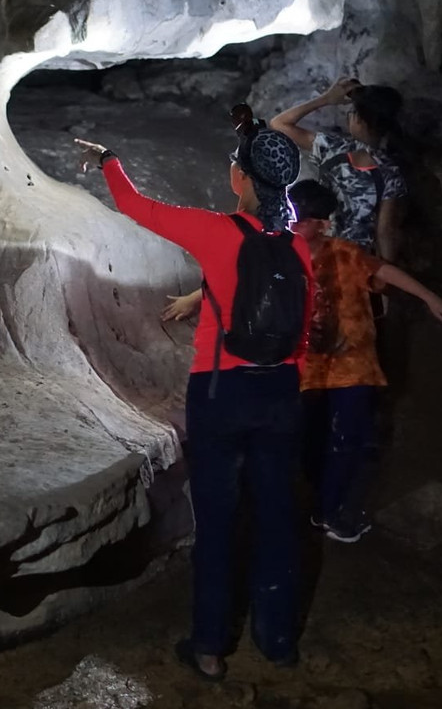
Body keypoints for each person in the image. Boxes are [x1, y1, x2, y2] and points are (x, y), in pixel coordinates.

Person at [74, 134, 313, 681]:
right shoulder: (298, 247)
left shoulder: (217, 231)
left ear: (244, 181)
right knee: (278, 517)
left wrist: (110, 162)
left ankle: (209, 645)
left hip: (221, 391)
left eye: (236, 165)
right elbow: (300, 332)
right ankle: (278, 641)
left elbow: (137, 207)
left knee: (219, 520)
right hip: (280, 394)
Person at [286, 180, 442, 542]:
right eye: (291, 217)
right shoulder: (281, 259)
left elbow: (384, 272)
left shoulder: (345, 253)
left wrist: (431, 299)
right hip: (307, 369)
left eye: (301, 219)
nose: (293, 224)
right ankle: (322, 503)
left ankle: (332, 511)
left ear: (322, 224)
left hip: (352, 364)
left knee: (348, 438)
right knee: (311, 440)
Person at [161, 121, 301, 322]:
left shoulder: (244, 228)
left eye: (235, 162)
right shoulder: (283, 218)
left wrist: (195, 299)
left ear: (243, 175)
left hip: (251, 335)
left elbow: (245, 273)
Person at [270, 78, 407, 262]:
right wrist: (388, 273)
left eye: (351, 113)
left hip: (317, 252)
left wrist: (326, 99)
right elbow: (385, 231)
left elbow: (279, 124)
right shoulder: (390, 171)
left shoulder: (333, 148)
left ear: (359, 120)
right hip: (355, 261)